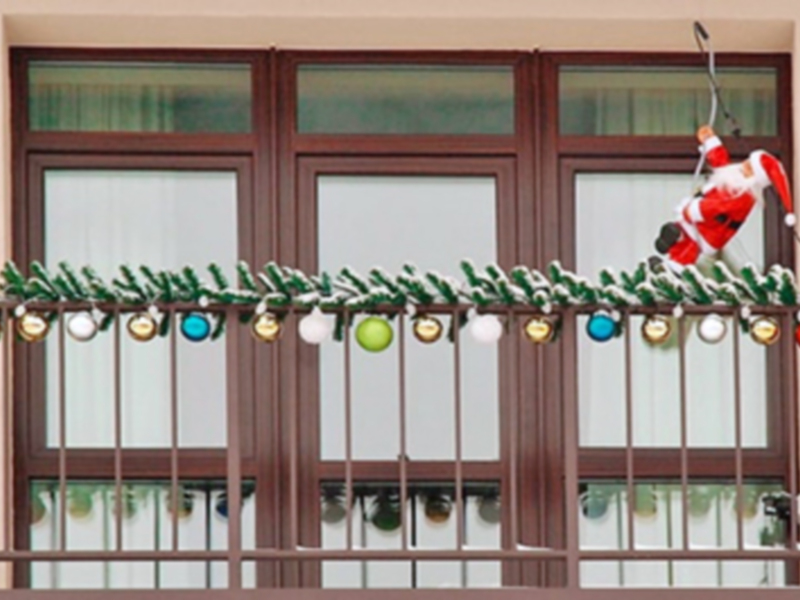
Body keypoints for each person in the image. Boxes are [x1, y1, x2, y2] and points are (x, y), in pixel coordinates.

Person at [652, 125, 795, 273]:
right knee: (683, 234)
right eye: (748, 162)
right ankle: (672, 244)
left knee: (692, 245)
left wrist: (696, 210)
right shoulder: (733, 177)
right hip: (700, 217)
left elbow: (720, 207)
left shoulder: (744, 196)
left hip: (710, 228)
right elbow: (721, 163)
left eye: (750, 167)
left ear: (756, 177)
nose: (744, 165)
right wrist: (709, 140)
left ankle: (676, 266)